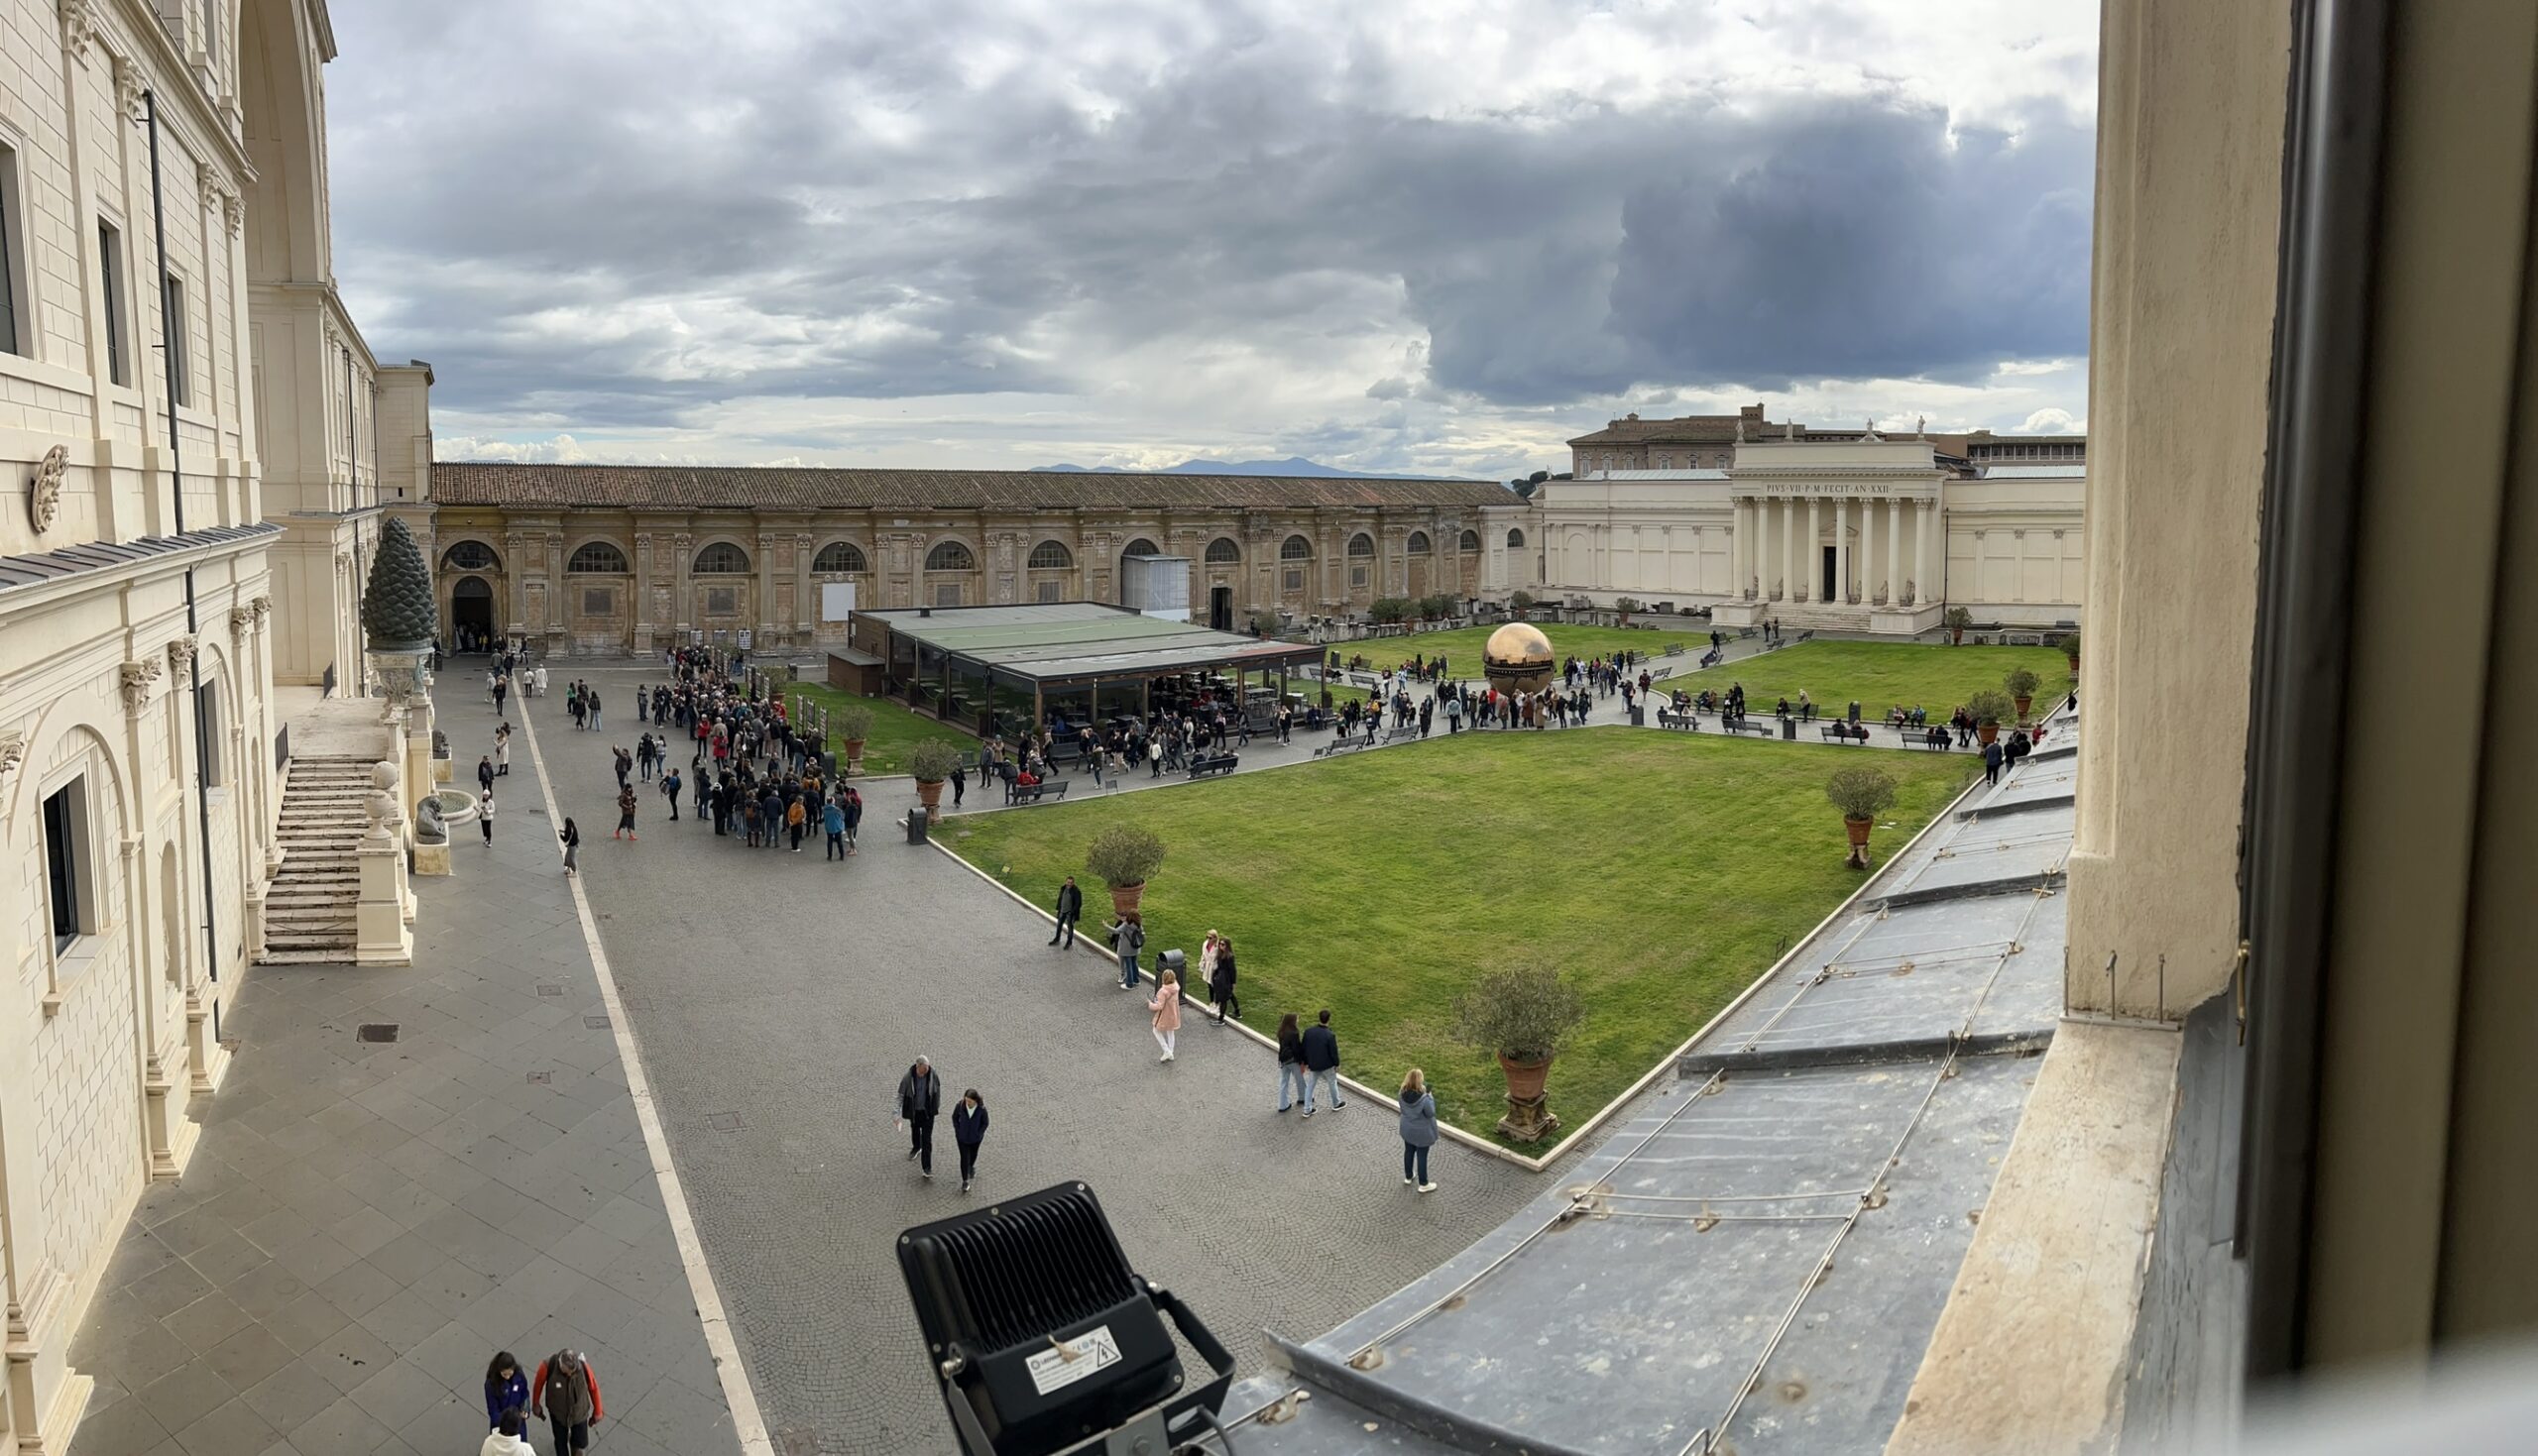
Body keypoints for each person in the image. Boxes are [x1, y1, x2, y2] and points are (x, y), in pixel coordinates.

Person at [530, 1348, 604, 1456]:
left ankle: (575, 1447)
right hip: (558, 1414)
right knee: (560, 1442)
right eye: (567, 1372)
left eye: (572, 1372)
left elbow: (593, 1388)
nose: (570, 1375)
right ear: (560, 1364)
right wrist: (536, 1403)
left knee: (580, 1443)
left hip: (579, 1413)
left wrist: (598, 1411)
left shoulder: (583, 1368)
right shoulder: (548, 1365)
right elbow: (538, 1383)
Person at [898, 1056, 942, 1178]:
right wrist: (897, 1112)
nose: (926, 1071)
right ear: (918, 1066)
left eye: (927, 1068)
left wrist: (935, 1106)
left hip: (928, 1112)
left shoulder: (933, 1075)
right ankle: (916, 1147)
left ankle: (927, 1168)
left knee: (927, 1140)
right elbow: (901, 1094)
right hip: (915, 1111)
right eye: (924, 1069)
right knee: (915, 1130)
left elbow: (937, 1091)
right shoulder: (908, 1078)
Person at [1399, 1068, 1440, 1192]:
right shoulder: (1425, 1098)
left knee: (1409, 1151)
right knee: (1422, 1156)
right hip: (1422, 1132)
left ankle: (1408, 1176)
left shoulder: (1401, 1093)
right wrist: (1430, 1097)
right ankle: (1423, 1183)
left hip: (1407, 1129)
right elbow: (1430, 1113)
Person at [1301, 1008, 1344, 1114]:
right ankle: (1336, 1103)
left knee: (1310, 1086)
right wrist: (1336, 1064)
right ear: (1329, 1019)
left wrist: (1305, 1062)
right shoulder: (1329, 1035)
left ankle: (1307, 1109)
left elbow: (1304, 1048)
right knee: (1332, 1083)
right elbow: (1333, 1052)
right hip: (1327, 1065)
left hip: (1313, 1064)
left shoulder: (1308, 1032)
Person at [952, 1088, 988, 1193]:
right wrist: (958, 1130)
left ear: (975, 1100)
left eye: (970, 1101)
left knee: (973, 1155)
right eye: (966, 1100)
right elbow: (954, 1117)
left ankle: (971, 1166)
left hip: (975, 1139)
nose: (967, 1103)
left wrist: (979, 1133)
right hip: (962, 1138)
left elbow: (985, 1123)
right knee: (964, 1158)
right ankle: (965, 1180)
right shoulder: (960, 1106)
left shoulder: (981, 1109)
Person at [484, 1350, 529, 1434]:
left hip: (517, 1421)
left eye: (510, 1373)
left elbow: (525, 1394)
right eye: (504, 1374)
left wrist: (525, 1409)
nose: (507, 1377)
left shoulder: (519, 1376)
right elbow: (493, 1410)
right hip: (501, 1425)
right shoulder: (491, 1384)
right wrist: (505, 1425)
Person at [1276, 1013, 1311, 1110]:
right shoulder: (1294, 1032)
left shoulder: (1281, 1031)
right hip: (1292, 1060)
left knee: (1284, 1082)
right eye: (1297, 1019)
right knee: (1299, 1079)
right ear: (1293, 1021)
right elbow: (1296, 1049)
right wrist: (1301, 1062)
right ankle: (1303, 1098)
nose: (1298, 1020)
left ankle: (1283, 1105)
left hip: (1283, 1059)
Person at [1147, 968, 1182, 1063]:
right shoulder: (1176, 987)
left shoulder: (1163, 991)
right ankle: (1170, 1051)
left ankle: (1167, 1051)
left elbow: (1159, 1006)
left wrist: (1150, 1005)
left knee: (1156, 1030)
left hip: (1165, 1014)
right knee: (1170, 1032)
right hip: (1173, 1013)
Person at [1107, 914, 1144, 989]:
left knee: (1128, 966)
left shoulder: (1126, 925)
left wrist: (1106, 926)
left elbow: (1116, 931)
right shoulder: (1138, 924)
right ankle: (1136, 980)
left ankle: (1129, 984)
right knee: (1134, 963)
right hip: (1135, 948)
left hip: (1127, 949)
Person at [1210, 937, 1238, 1026]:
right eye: (1220, 944)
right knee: (1230, 995)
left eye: (1223, 944)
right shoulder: (1220, 954)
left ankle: (1221, 1019)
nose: (1220, 946)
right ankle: (1237, 1012)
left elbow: (1233, 970)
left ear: (1227, 946)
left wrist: (1233, 982)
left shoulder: (1229, 957)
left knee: (1223, 999)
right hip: (1221, 978)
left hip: (1225, 979)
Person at [1050, 875, 1083, 948]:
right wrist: (1058, 909)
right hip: (1062, 910)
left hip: (1069, 913)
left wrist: (1072, 912)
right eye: (1068, 882)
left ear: (1073, 883)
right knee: (1059, 925)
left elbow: (1078, 903)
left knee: (1070, 928)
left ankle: (1069, 942)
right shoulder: (1063, 888)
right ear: (1066, 882)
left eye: (1071, 883)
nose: (1069, 884)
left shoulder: (1076, 891)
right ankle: (1057, 939)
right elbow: (1060, 899)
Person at [824, 795, 848, 859]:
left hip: (828, 827)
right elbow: (842, 816)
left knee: (829, 841)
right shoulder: (837, 810)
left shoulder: (824, 809)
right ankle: (841, 855)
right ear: (832, 802)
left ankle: (829, 856)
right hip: (837, 827)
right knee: (839, 842)